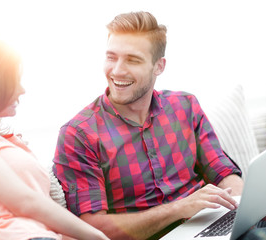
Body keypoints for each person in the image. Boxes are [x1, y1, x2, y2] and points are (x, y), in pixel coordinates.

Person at [53, 11, 245, 240]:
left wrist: (242, 210)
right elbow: (92, 228)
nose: (117, 70)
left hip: (211, 229)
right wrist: (178, 208)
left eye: (132, 60)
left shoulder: (185, 106)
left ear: (159, 66)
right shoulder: (80, 134)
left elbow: (222, 170)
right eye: (112, 57)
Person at [0, 34, 110, 240]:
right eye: (12, 82)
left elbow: (38, 219)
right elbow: (25, 202)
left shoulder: (3, 141)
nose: (22, 90)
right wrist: (97, 236)